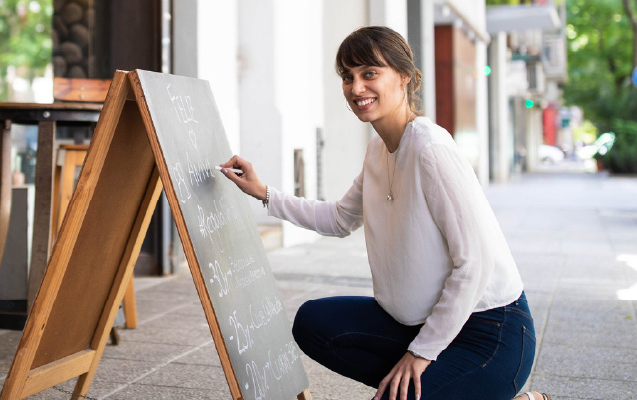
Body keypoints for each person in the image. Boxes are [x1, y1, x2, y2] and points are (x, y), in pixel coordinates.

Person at [218, 26, 548, 400]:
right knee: (313, 323)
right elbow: (339, 219)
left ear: (404, 76)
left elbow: (476, 262)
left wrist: (420, 354)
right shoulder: (379, 150)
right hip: (413, 325)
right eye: (348, 76)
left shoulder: (431, 150)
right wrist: (263, 193)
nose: (356, 87)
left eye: (369, 73)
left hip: (489, 332)